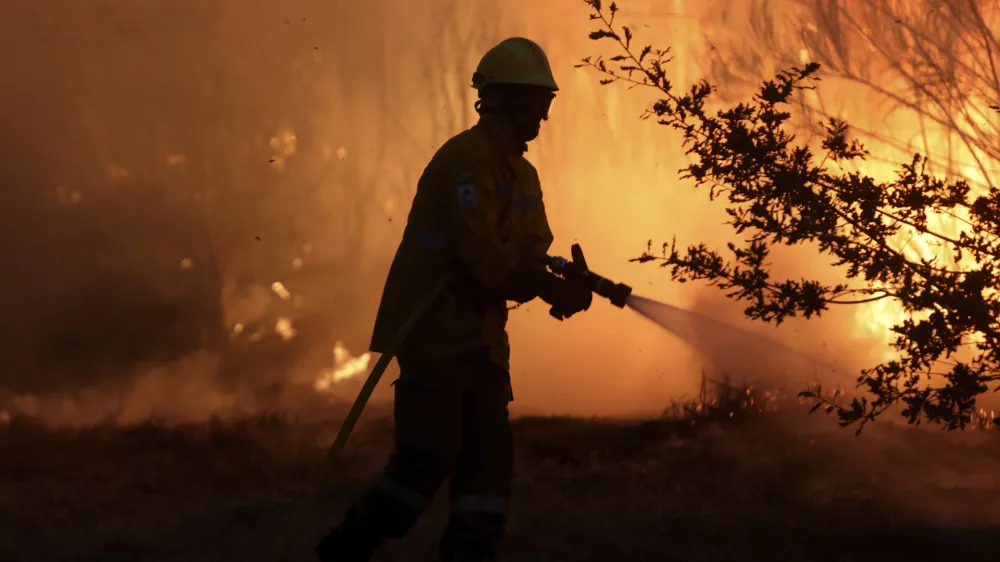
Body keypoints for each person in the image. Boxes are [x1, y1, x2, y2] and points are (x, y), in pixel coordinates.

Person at [315, 37, 593, 562]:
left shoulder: (524, 174)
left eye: (545, 104)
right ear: (501, 100)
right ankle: (346, 549)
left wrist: (565, 286)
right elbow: (484, 257)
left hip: (484, 343)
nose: (541, 116)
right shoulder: (465, 161)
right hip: (432, 334)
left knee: (488, 468)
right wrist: (541, 282)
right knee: (427, 456)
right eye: (533, 103)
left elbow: (530, 255)